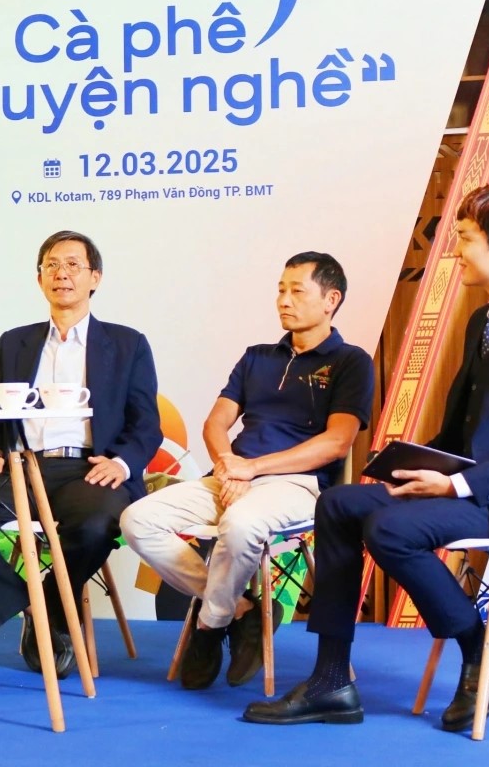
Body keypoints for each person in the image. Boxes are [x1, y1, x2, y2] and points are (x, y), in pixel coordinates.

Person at [244, 182, 489, 730]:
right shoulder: (482, 321)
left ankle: (483, 650)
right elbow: (460, 430)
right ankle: (331, 681)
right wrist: (412, 466)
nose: (455, 250)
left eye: (465, 237)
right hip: (475, 487)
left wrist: (455, 485)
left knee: (390, 529)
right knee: (339, 504)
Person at [121, 252, 373, 690]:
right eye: (281, 290)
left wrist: (251, 470)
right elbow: (215, 424)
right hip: (231, 476)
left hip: (297, 484)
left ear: (331, 300)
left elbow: (336, 442)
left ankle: (208, 627)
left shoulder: (351, 361)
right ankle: (239, 610)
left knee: (239, 525)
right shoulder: (257, 357)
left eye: (297, 291)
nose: (284, 300)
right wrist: (229, 469)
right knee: (137, 520)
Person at [0, 230, 161, 678]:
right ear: (39, 278)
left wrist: (121, 463)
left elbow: (147, 425)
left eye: (72, 265)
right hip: (24, 466)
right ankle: (34, 608)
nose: (61, 273)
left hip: (91, 468)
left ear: (95, 278)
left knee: (97, 525)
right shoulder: (15, 342)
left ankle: (52, 604)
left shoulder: (127, 344)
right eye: (51, 265)